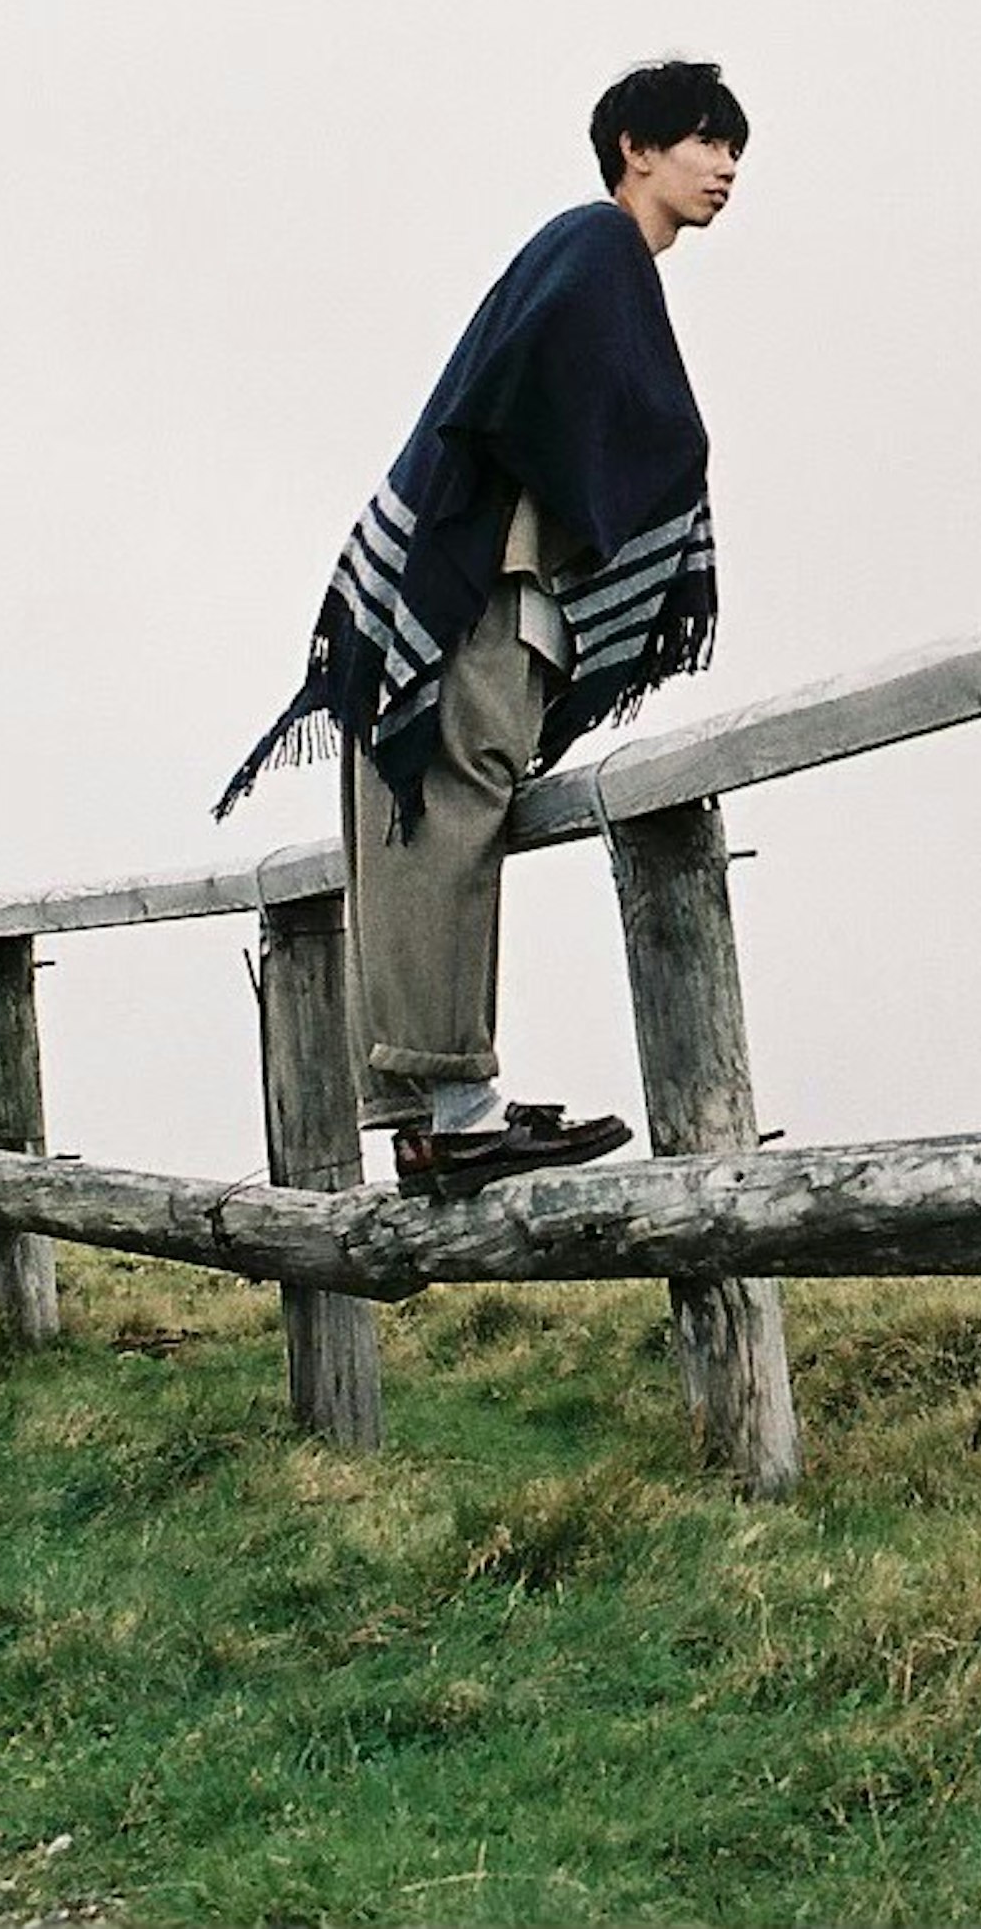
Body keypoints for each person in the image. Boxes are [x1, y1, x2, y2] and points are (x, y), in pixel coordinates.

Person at [215, 60, 746, 1196]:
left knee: (412, 830)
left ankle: (433, 1115)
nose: (727, 167)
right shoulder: (597, 249)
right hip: (482, 591)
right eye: (706, 140)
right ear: (636, 150)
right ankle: (458, 1115)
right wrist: (650, 465)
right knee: (448, 817)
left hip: (436, 586)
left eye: (734, 149)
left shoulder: (592, 261)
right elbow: (533, 394)